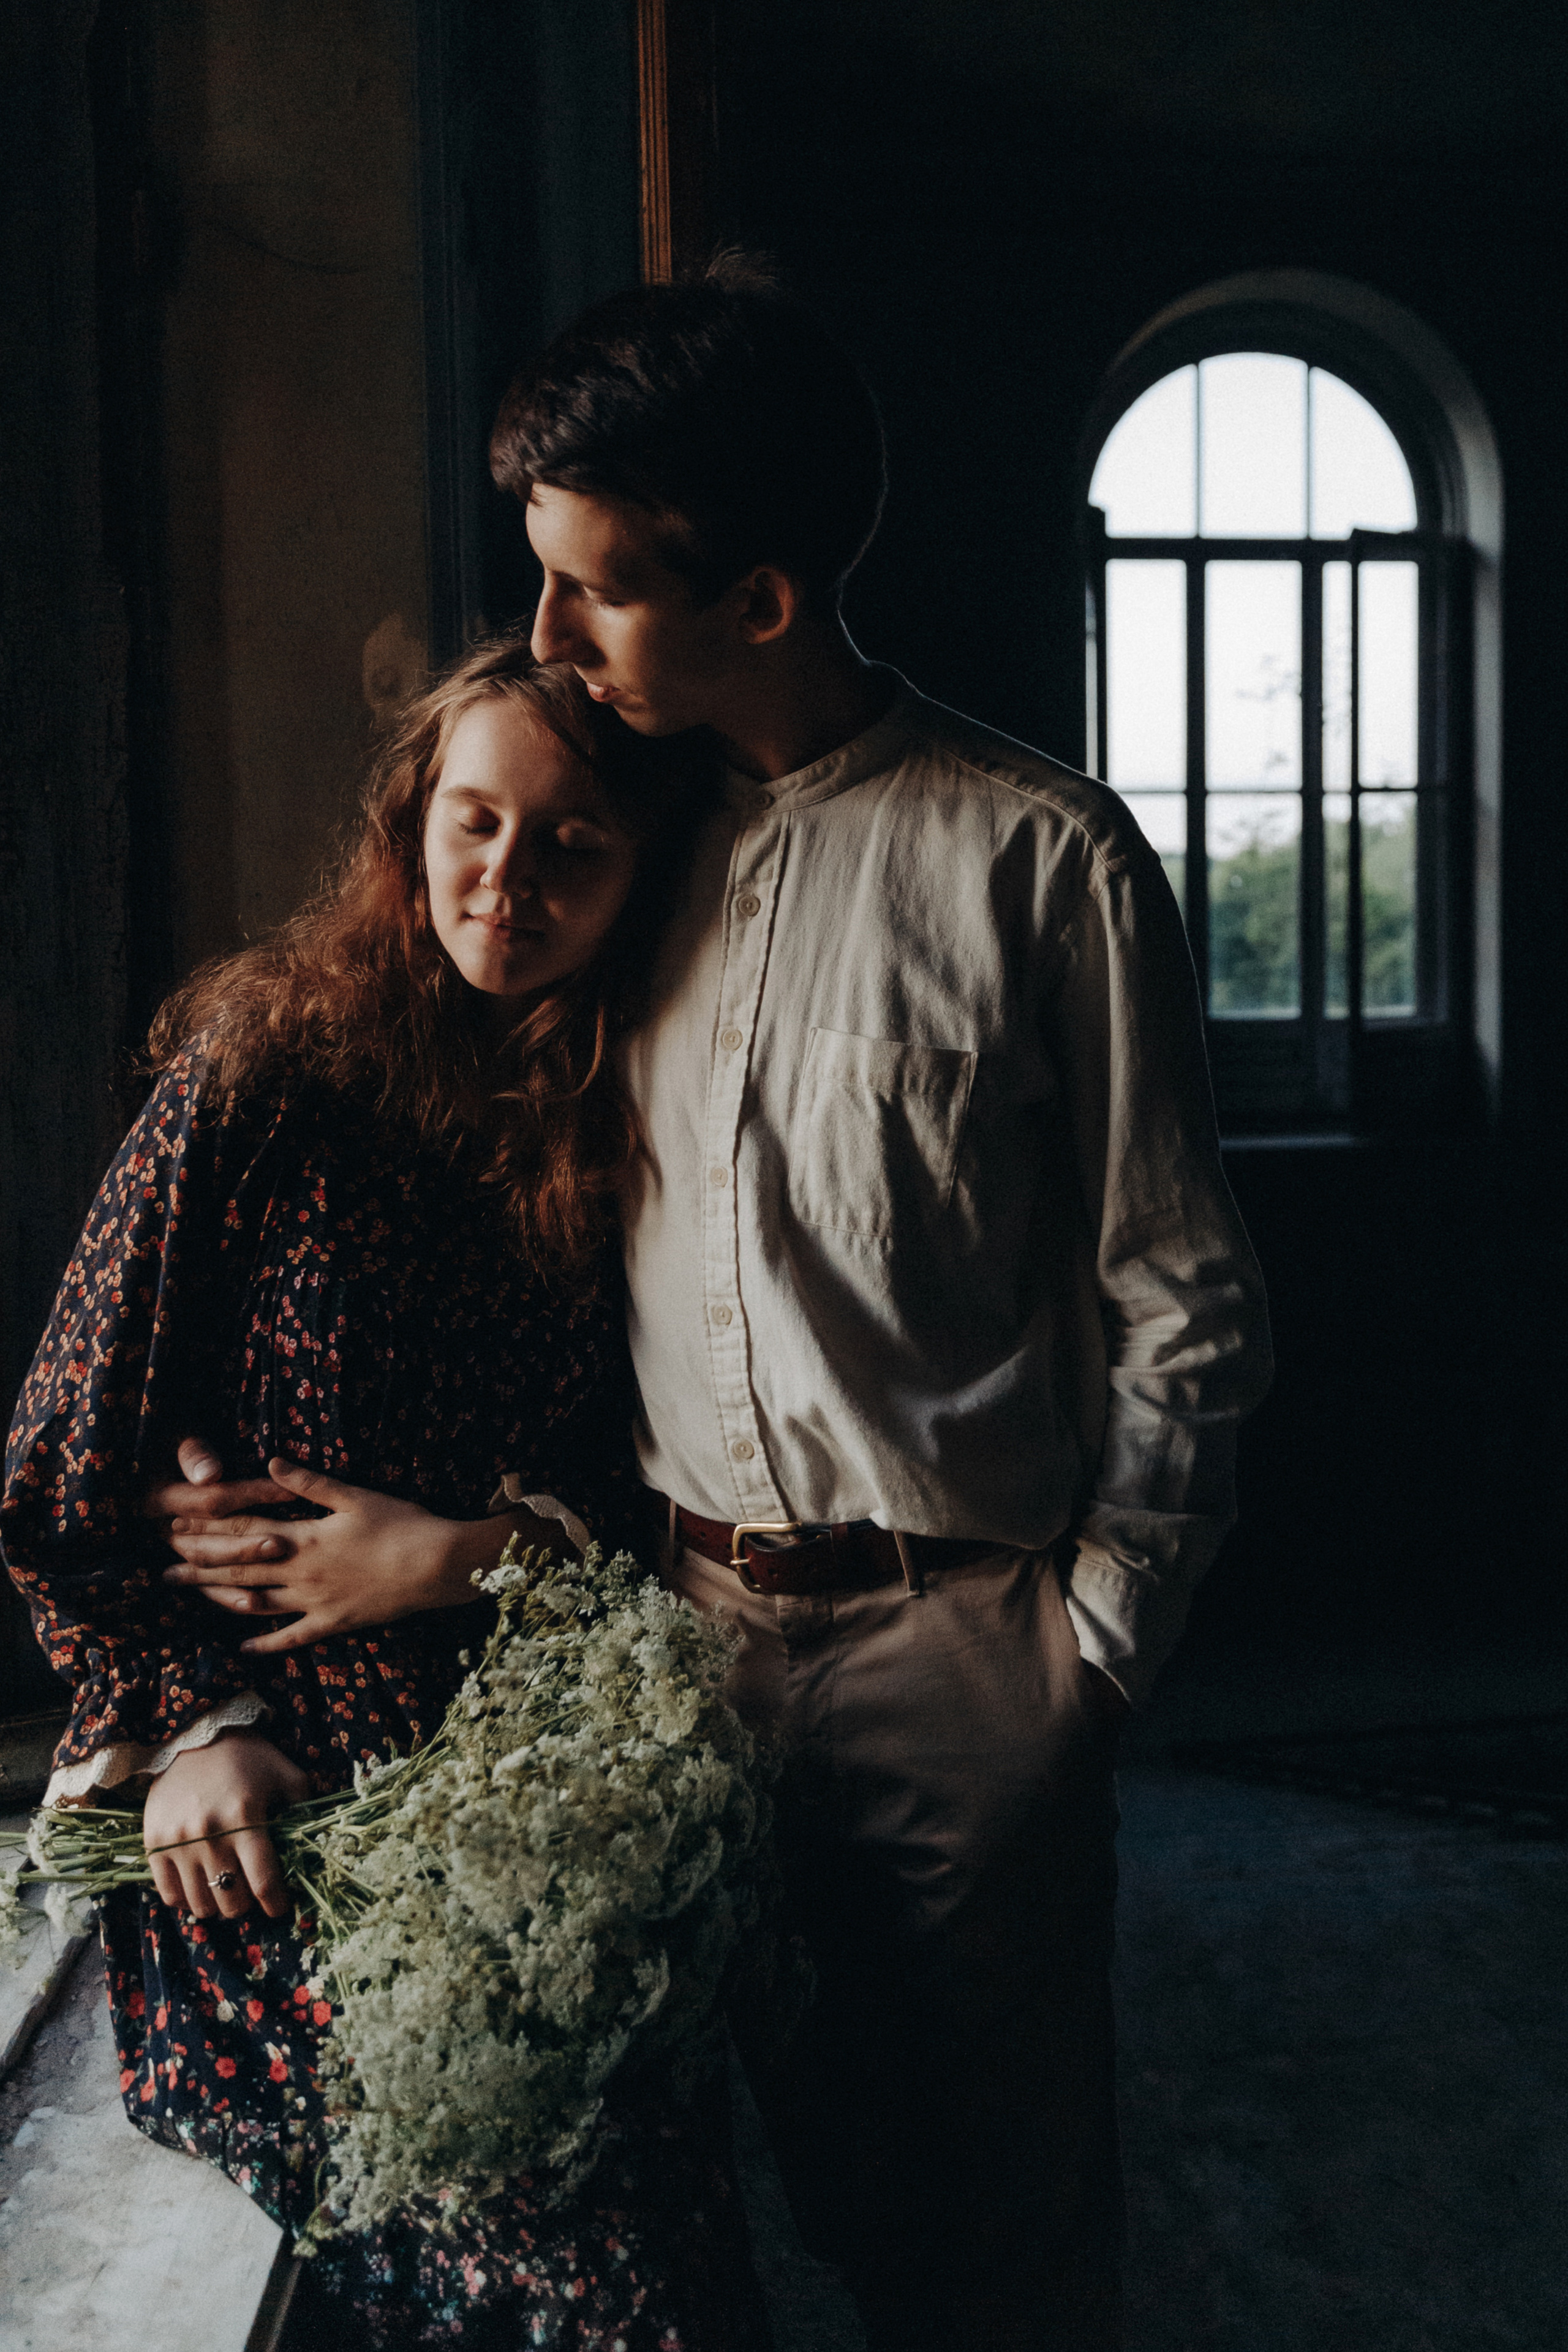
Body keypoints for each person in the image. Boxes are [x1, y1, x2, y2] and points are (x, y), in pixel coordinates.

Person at [153, 255, 1273, 2351]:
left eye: (596, 590)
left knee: (995, 2220)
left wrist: (1090, 1655)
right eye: (543, 582)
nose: (553, 637)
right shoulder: (608, 846)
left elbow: (1182, 1295)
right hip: (663, 1644)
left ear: (758, 599)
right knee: (738, 2187)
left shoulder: (1046, 862)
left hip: (968, 1649)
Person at [1, 640, 771, 2352]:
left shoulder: (640, 1105)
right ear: (411, 823)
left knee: (661, 2231)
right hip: (289, 1827)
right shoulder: (264, 1074)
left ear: (642, 872)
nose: (509, 879)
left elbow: (652, 1487)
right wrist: (197, 1717)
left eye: (574, 844)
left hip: (530, 1794)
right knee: (571, 2268)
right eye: (474, 821)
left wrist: (465, 1560)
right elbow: (66, 1447)